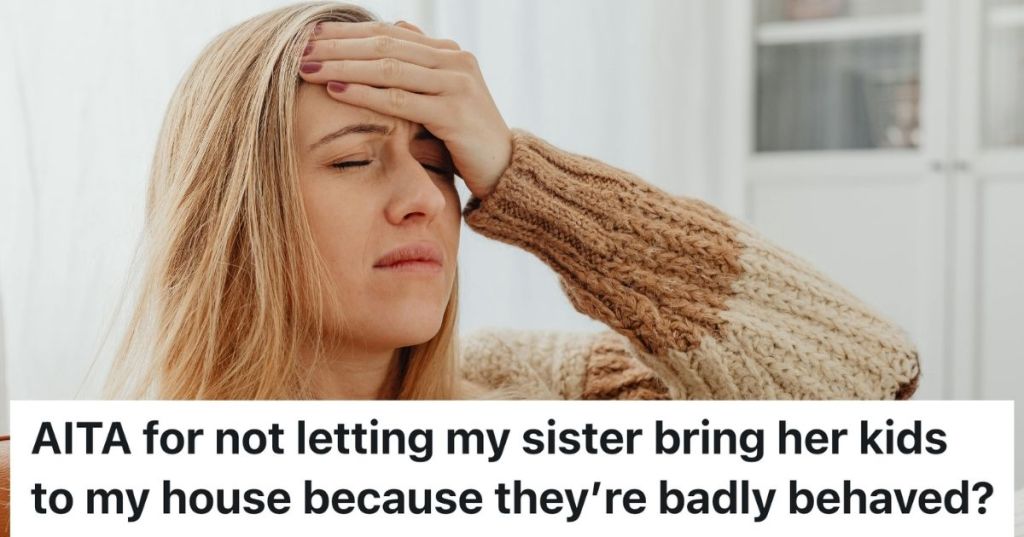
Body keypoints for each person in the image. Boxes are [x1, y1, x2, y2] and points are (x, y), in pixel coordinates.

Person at [105, 2, 920, 401]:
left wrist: (523, 178)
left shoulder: (536, 390)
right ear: (231, 219)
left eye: (439, 160)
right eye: (354, 159)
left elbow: (872, 383)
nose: (422, 199)